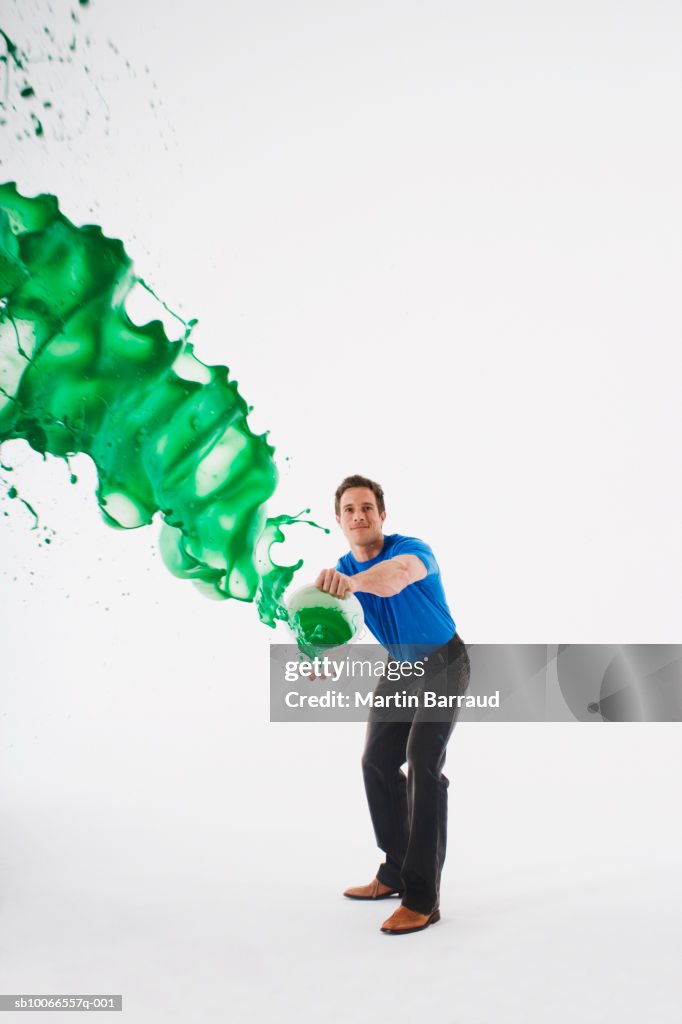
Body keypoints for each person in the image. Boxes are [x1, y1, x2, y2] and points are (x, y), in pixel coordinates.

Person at [315, 474, 470, 936]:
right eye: (349, 509)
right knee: (376, 762)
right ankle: (395, 870)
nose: (358, 515)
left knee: (422, 762)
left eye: (367, 507)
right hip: (402, 668)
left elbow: (395, 578)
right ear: (339, 520)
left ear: (382, 514)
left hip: (444, 663)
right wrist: (320, 656)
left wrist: (352, 583)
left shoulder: (412, 550)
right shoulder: (340, 569)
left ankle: (423, 898)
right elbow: (340, 627)